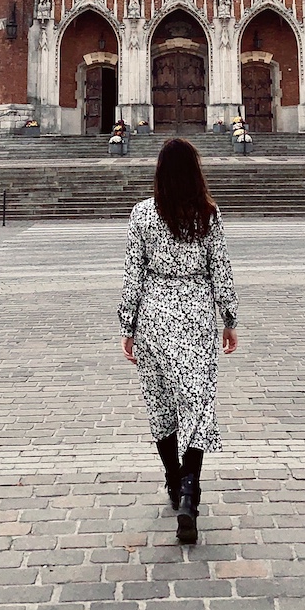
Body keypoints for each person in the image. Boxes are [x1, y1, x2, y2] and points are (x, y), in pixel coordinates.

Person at [119, 137, 238, 545]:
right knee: (197, 406)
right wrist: (230, 319)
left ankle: (173, 480)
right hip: (196, 315)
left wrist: (128, 326)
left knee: (161, 405)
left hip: (153, 315)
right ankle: (190, 492)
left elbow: (133, 273)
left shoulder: (141, 215)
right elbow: (220, 269)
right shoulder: (208, 214)